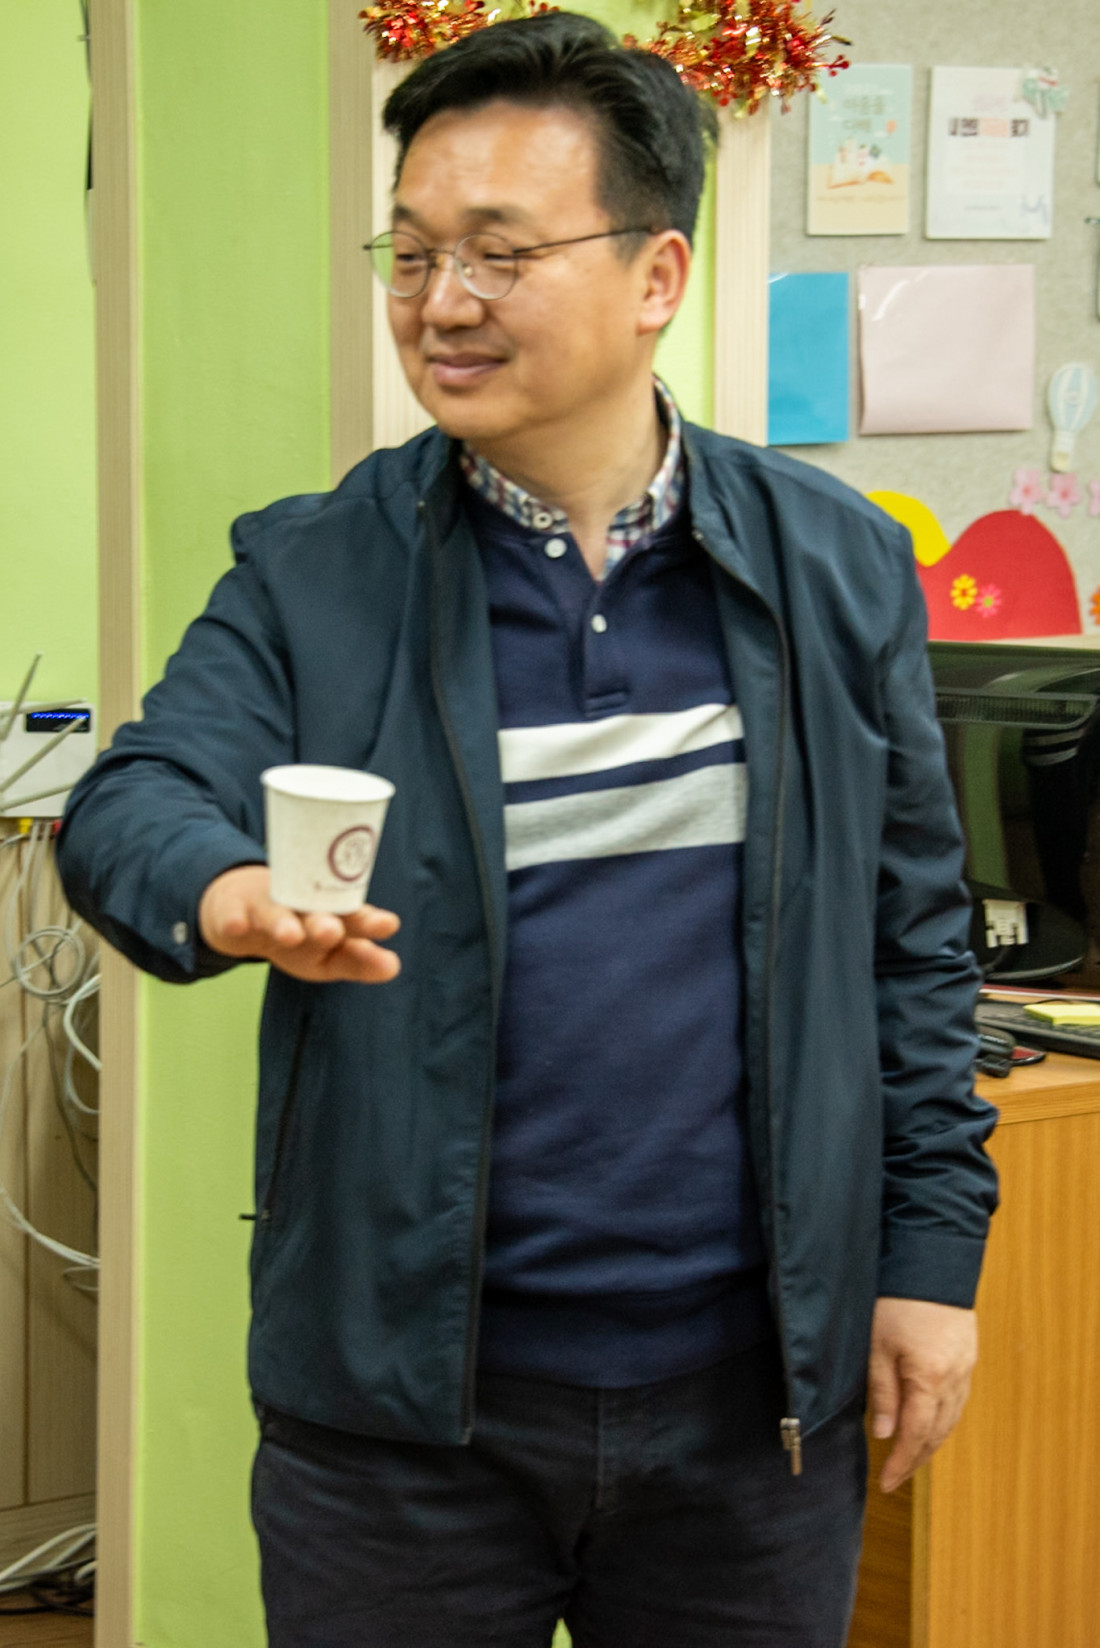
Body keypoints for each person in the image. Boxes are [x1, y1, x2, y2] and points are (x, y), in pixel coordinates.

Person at [58, 14, 999, 1646]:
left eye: (500, 253)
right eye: (413, 252)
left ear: (656, 276)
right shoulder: (314, 570)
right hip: (404, 1422)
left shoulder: (835, 564)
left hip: (753, 1405)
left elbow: (911, 943)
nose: (442, 302)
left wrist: (928, 1264)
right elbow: (128, 801)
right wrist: (224, 893)